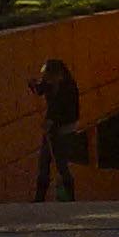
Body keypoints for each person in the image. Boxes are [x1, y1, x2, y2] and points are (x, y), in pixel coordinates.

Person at [30, 57, 81, 203]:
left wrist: (50, 121)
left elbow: (61, 109)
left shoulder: (68, 88)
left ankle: (68, 197)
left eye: (49, 77)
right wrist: (34, 85)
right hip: (52, 129)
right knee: (44, 162)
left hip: (65, 130)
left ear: (59, 74)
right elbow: (40, 89)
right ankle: (39, 197)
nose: (47, 80)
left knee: (61, 164)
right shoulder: (50, 83)